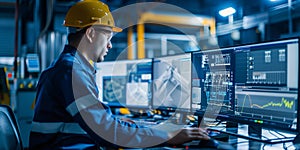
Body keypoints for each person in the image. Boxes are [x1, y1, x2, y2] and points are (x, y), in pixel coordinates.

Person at [29, 0, 210, 149]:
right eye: (107, 36)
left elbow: (101, 124)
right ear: (91, 33)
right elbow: (107, 132)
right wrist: (166, 136)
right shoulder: (71, 71)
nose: (109, 45)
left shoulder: (69, 67)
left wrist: (126, 125)